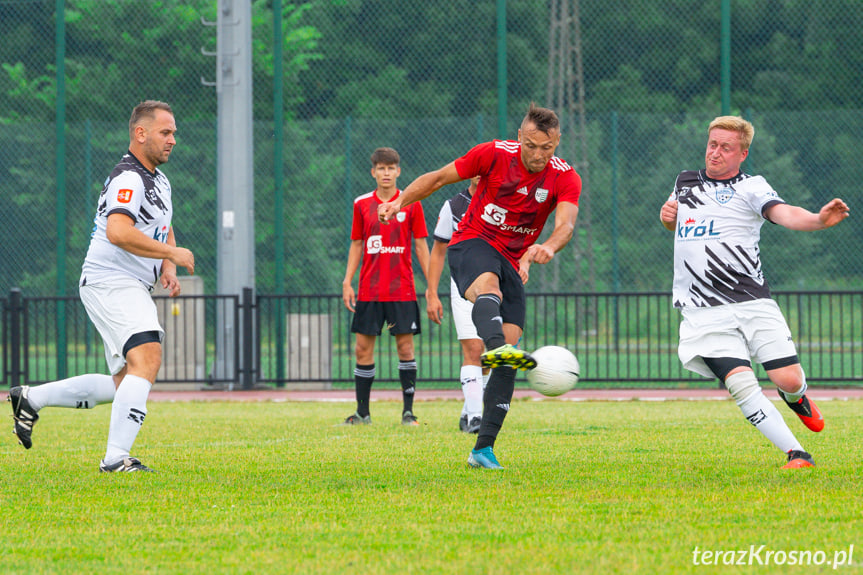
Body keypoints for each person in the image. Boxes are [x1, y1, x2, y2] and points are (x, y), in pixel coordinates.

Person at [379, 103, 581, 469]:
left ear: (557, 143)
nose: (538, 155)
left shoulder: (565, 177)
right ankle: (497, 347)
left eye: (546, 148)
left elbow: (566, 223)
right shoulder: (493, 154)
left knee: (507, 360)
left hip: (512, 259)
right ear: (520, 136)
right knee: (489, 292)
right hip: (472, 243)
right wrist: (399, 201)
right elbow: (439, 178)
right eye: (532, 145)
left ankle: (482, 449)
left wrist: (547, 246)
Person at [7, 100, 195, 473]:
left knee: (125, 380)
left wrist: (166, 262)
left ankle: (31, 398)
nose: (173, 139)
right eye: (165, 132)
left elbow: (160, 221)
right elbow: (118, 231)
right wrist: (173, 251)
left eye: (173, 132)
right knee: (148, 356)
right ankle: (114, 460)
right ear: (140, 134)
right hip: (111, 280)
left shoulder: (158, 179)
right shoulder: (129, 177)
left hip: (126, 284)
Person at [659, 115, 849, 469]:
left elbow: (785, 214)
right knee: (741, 385)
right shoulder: (684, 181)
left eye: (725, 148)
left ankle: (798, 398)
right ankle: (797, 453)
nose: (715, 153)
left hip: (751, 301)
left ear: (742, 154)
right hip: (702, 311)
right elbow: (674, 221)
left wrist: (818, 220)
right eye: (712, 145)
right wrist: (667, 216)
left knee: (788, 379)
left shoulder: (751, 186)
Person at [426, 176, 532, 434]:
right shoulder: (454, 206)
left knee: (490, 353)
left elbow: (524, 236)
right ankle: (475, 418)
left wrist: (525, 262)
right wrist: (431, 292)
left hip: (498, 281)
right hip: (463, 283)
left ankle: (468, 411)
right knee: (474, 348)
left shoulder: (506, 202)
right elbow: (439, 251)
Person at [342, 147, 431, 426]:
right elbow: (357, 243)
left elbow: (420, 245)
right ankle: (362, 413)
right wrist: (347, 280)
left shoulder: (411, 203)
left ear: (398, 171)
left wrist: (432, 285)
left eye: (391, 168)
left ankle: (408, 413)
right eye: (381, 168)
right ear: (373, 172)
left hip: (401, 289)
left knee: (405, 349)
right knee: (362, 350)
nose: (386, 173)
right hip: (369, 289)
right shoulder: (361, 204)